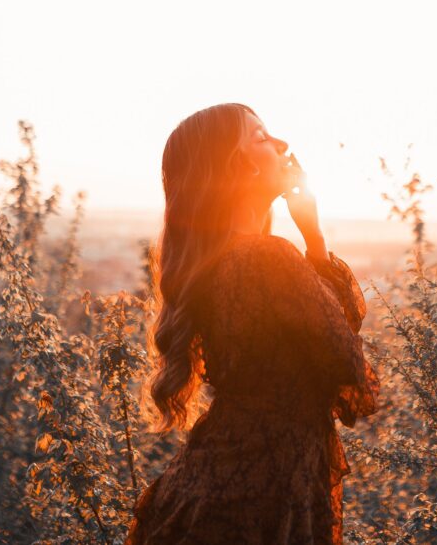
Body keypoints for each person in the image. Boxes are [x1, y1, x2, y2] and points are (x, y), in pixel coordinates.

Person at [125, 103, 380, 544]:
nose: (282, 144)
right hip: (264, 488)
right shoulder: (268, 257)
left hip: (225, 480)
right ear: (234, 167)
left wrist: (313, 241)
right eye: (262, 138)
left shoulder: (215, 262)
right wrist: (314, 242)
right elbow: (349, 365)